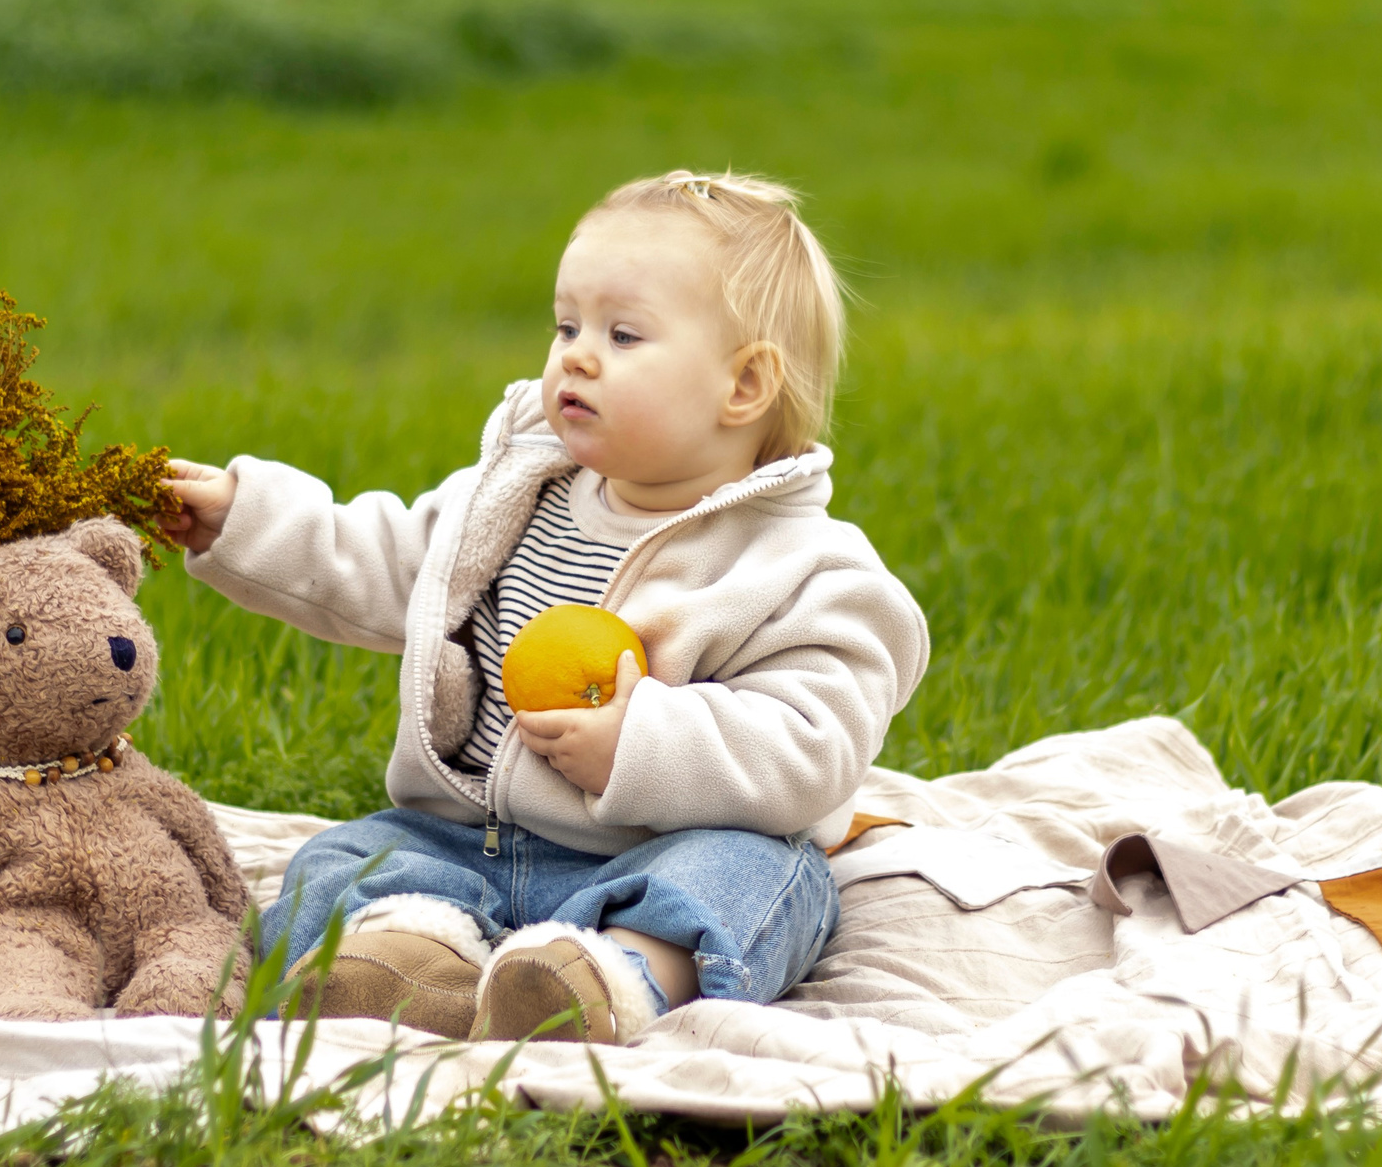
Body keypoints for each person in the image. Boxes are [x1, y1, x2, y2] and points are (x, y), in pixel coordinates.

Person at [159, 170, 930, 1044]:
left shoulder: (803, 568)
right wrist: (244, 517)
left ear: (744, 386)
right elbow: (385, 562)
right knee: (343, 858)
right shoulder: (517, 494)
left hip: (649, 853)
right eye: (567, 326)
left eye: (623, 333)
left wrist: (641, 741)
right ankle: (412, 956)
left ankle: (612, 978)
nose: (576, 354)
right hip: (467, 842)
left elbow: (812, 744)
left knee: (761, 877)